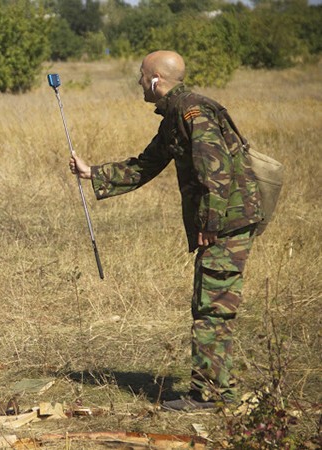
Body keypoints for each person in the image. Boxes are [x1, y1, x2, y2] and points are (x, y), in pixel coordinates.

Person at [69, 50, 262, 411]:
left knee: (212, 308)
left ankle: (211, 397)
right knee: (209, 305)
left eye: (142, 75)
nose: (138, 81)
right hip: (224, 220)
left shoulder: (192, 112)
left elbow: (215, 173)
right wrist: (92, 172)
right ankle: (216, 390)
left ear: (156, 80)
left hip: (226, 223)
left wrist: (210, 223)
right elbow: (147, 165)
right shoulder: (175, 114)